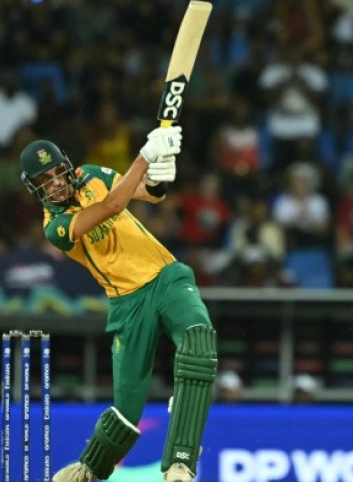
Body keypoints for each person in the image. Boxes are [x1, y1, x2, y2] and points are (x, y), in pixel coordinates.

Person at [19, 126, 217, 482]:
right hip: (127, 304)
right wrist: (144, 156)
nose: (56, 183)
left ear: (67, 165)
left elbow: (147, 194)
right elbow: (112, 206)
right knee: (126, 412)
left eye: (57, 173)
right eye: (45, 181)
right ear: (36, 189)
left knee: (199, 341)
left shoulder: (91, 174)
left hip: (166, 276)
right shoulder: (55, 226)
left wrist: (159, 176)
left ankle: (180, 462)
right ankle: (88, 467)